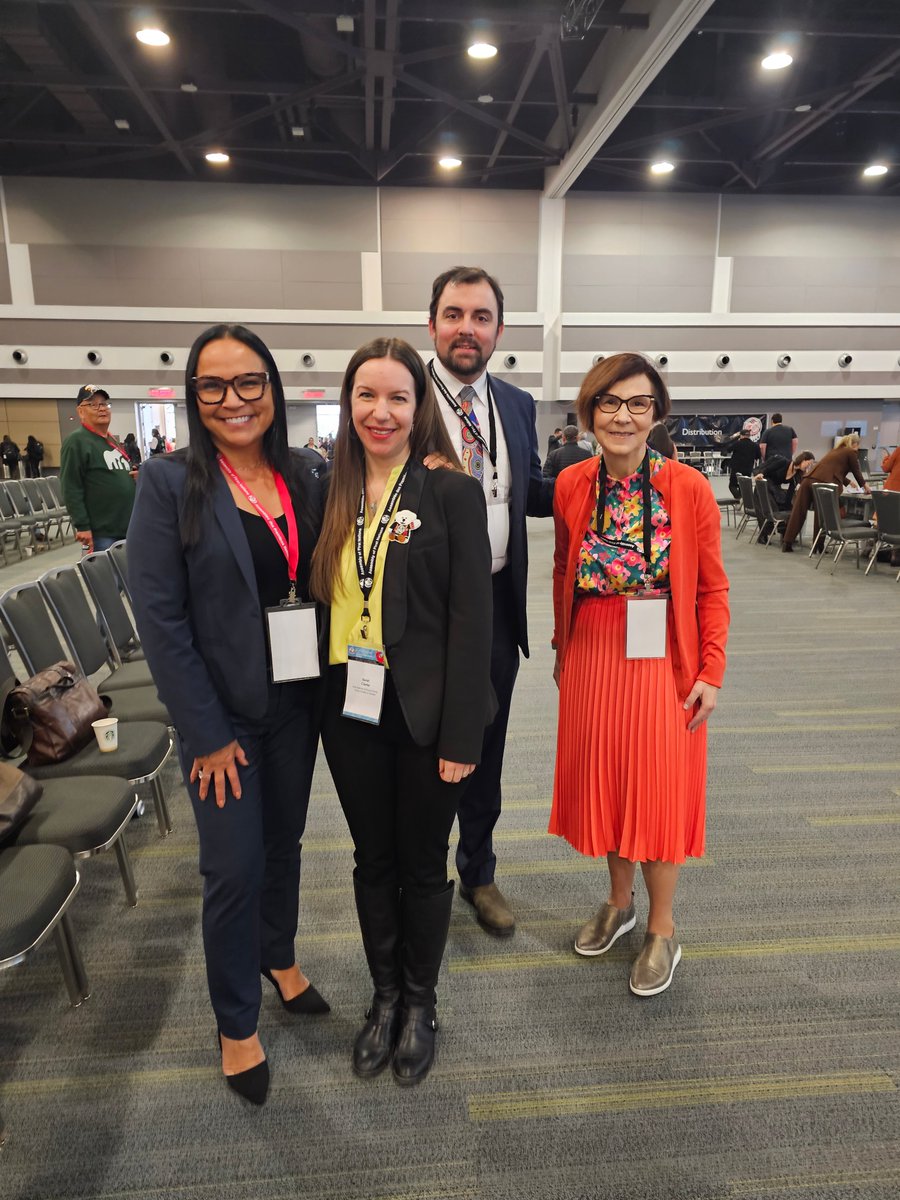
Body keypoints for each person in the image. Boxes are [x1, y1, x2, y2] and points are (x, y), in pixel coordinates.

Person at [129, 325, 328, 1107]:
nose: (233, 400)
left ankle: (278, 959)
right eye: (213, 386)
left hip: (297, 703)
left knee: (284, 845)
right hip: (224, 720)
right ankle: (235, 1021)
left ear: (273, 390)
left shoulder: (304, 474)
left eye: (249, 383)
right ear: (193, 395)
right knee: (233, 869)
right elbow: (161, 621)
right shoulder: (169, 482)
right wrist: (204, 733)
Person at [311, 337, 494, 1086]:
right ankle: (382, 998)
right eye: (366, 396)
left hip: (425, 714)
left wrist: (462, 735)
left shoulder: (449, 491)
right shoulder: (327, 489)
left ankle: (420, 1002)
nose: (380, 412)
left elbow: (471, 622)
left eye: (397, 397)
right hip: (348, 709)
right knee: (370, 859)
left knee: (422, 863)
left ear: (420, 409)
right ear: (347, 403)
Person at [550, 353, 729, 997]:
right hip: (594, 650)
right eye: (609, 402)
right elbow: (563, 565)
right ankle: (619, 903)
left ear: (657, 414)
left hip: (663, 653)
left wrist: (711, 667)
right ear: (589, 410)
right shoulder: (573, 482)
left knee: (657, 788)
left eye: (638, 403)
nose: (622, 415)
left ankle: (661, 927)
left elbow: (711, 587)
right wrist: (562, 645)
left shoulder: (687, 487)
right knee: (609, 783)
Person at [427, 265, 554, 937]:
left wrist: (600, 479)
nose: (467, 329)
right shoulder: (401, 398)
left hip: (498, 605)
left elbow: (527, 490)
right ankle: (421, 874)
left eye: (481, 317)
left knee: (486, 743)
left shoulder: (515, 404)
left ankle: (477, 871)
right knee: (422, 747)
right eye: (454, 314)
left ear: (498, 330)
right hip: (421, 615)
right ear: (433, 324)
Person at [60, 386, 136, 553]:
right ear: (81, 411)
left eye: (104, 404)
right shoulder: (76, 441)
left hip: (126, 528)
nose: (101, 409)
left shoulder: (111, 440)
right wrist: (82, 526)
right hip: (101, 533)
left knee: (128, 578)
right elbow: (71, 486)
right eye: (93, 405)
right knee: (106, 579)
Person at [781, 433, 870, 552]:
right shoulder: (851, 452)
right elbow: (856, 471)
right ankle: (818, 546)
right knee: (821, 514)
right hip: (824, 483)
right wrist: (865, 487)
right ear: (856, 444)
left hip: (808, 479)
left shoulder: (835, 451)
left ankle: (787, 542)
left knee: (798, 511)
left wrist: (847, 482)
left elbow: (829, 468)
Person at [727, 427, 761, 498]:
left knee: (732, 485)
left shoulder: (737, 443)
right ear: (749, 436)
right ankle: (743, 498)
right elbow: (758, 456)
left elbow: (728, 450)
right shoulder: (755, 445)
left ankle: (738, 498)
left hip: (736, 469)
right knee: (744, 486)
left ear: (741, 435)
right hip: (748, 469)